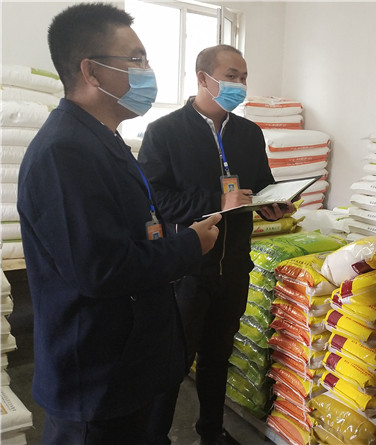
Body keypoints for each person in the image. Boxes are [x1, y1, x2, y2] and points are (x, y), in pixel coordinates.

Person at [16, 3, 222, 445]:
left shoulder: (103, 140)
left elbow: (132, 234)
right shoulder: (64, 153)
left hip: (129, 368)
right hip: (95, 380)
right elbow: (101, 268)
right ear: (91, 71)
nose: (148, 71)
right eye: (136, 59)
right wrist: (189, 245)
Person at [138, 44, 289, 445]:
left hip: (234, 266)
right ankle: (155, 437)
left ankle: (211, 432)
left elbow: (261, 184)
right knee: (174, 361)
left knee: (218, 357)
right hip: (188, 268)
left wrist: (273, 204)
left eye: (244, 77)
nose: (240, 84)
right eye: (231, 76)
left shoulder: (249, 133)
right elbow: (155, 199)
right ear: (203, 78)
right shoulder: (165, 132)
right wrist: (216, 202)